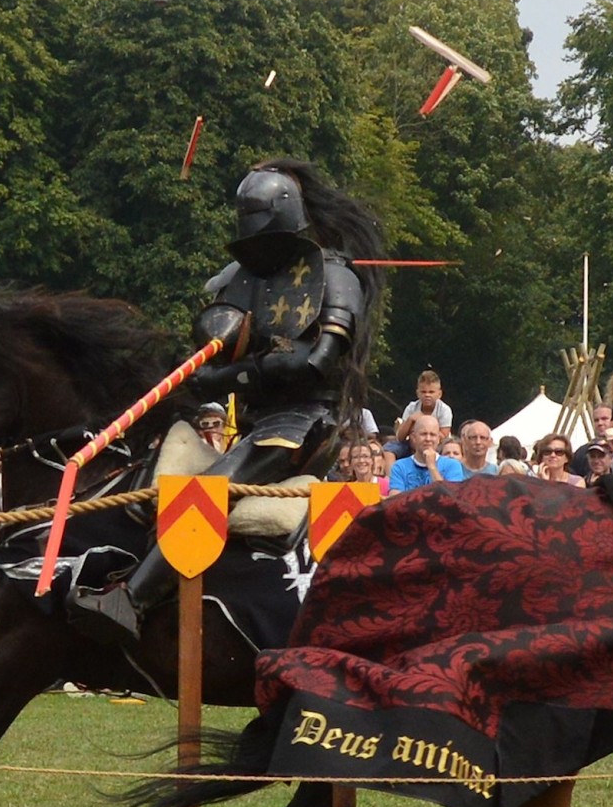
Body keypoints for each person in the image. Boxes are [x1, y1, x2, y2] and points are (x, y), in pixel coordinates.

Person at [68, 159, 382, 645]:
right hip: (258, 422)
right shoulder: (242, 280)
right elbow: (204, 378)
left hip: (307, 423)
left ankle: (131, 600)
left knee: (210, 487)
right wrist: (233, 367)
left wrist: (244, 371)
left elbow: (316, 362)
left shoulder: (334, 277)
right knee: (155, 475)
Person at [388, 414, 466, 491]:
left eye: (432, 435)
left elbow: (450, 498)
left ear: (438, 439)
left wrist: (432, 466)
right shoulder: (399, 466)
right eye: (423, 434)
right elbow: (395, 499)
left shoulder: (452, 465)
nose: (428, 439)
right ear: (414, 437)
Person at [391, 370, 452, 451]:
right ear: (418, 393)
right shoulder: (411, 407)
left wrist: (424, 421)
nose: (427, 395)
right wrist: (410, 419)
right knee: (391, 448)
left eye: (431, 392)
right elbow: (400, 437)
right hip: (412, 444)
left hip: (437, 446)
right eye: (423, 392)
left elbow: (443, 437)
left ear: (439, 394)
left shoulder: (444, 410)